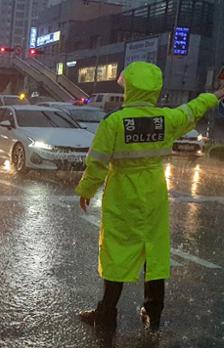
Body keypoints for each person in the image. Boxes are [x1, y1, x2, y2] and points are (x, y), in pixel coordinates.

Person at [76, 61, 224, 333]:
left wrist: (86, 190)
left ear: (130, 88)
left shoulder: (115, 123)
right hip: (154, 193)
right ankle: (153, 313)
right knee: (154, 253)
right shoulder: (165, 120)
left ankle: (106, 313)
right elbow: (193, 108)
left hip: (122, 193)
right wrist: (217, 93)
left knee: (116, 251)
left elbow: (97, 163)